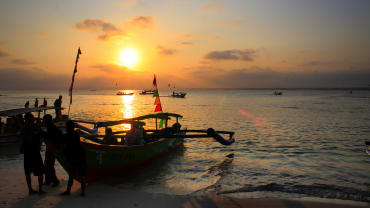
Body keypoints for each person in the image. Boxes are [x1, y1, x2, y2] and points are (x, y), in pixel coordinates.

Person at [20, 113, 45, 195]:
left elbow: (21, 141)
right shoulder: (36, 127)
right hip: (35, 152)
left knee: (27, 172)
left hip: (27, 152)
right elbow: (42, 136)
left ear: (25, 120)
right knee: (40, 171)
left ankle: (30, 190)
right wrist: (40, 143)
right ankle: (40, 189)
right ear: (32, 119)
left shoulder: (23, 129)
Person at [61, 121, 86, 196]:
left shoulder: (65, 136)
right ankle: (83, 192)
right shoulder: (76, 134)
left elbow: (63, 147)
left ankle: (68, 191)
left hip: (73, 157)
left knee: (71, 175)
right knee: (82, 176)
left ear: (67, 128)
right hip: (81, 155)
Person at [42, 114, 62, 186]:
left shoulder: (52, 128)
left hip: (52, 149)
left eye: (44, 121)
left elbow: (52, 137)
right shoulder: (51, 127)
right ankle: (48, 180)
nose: (43, 122)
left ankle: (54, 181)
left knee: (49, 165)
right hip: (51, 148)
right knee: (47, 165)